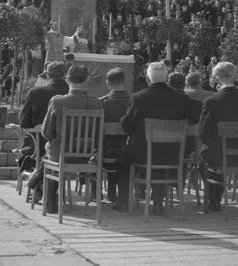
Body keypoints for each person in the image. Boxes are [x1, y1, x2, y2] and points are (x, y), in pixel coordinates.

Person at [117, 62, 200, 214]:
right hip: (174, 154)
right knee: (161, 153)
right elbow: (194, 119)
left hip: (144, 153)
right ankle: (157, 203)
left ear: (148, 78)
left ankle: (123, 201)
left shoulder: (138, 98)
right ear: (167, 77)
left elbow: (127, 126)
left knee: (123, 160)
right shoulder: (181, 99)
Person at [199, 61, 238, 213]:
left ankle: (214, 200)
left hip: (218, 155)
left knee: (204, 160)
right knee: (210, 157)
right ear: (235, 76)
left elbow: (203, 132)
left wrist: (215, 145)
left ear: (216, 77)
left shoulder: (211, 102)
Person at [40, 65, 103, 213]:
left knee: (48, 152)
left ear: (67, 79)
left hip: (59, 154)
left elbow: (46, 133)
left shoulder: (57, 102)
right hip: (85, 155)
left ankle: (48, 198)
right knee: (51, 152)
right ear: (87, 80)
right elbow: (102, 134)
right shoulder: (96, 103)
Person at [100, 67, 130, 203]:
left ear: (108, 83)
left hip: (104, 152)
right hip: (128, 151)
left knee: (105, 143)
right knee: (120, 146)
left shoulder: (102, 103)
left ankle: (98, 192)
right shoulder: (133, 103)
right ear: (125, 82)